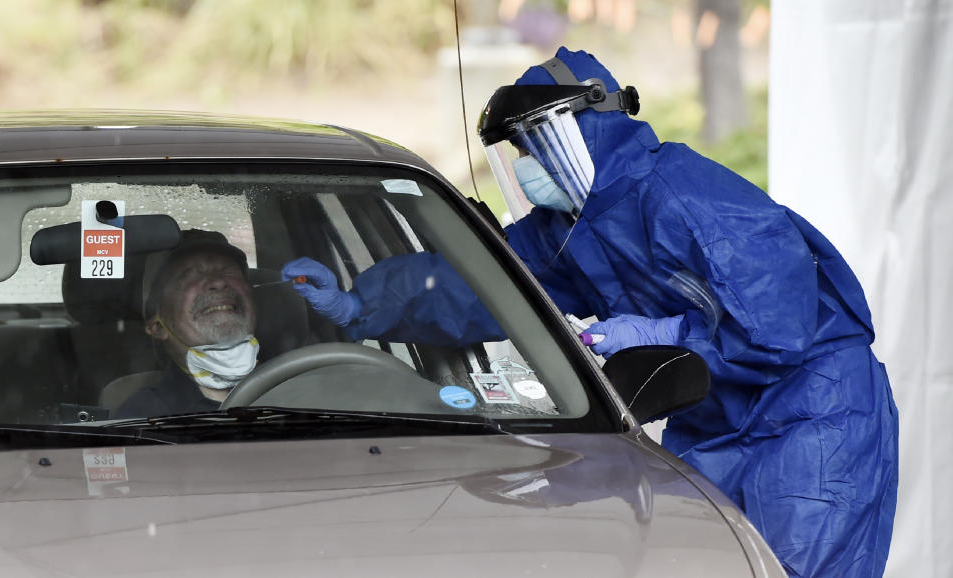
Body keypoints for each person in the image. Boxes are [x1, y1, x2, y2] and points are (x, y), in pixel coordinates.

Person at [283, 47, 899, 577]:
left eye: (532, 144)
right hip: (710, 420)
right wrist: (360, 302)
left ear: (579, 130)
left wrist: (664, 332)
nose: (524, 167)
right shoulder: (567, 229)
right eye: (515, 153)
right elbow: (481, 287)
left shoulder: (689, 195)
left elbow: (778, 329)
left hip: (811, 417)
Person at [114, 229, 259, 418]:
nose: (218, 282)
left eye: (228, 271)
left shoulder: (302, 381)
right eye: (190, 275)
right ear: (158, 327)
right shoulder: (142, 417)